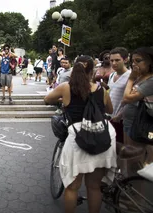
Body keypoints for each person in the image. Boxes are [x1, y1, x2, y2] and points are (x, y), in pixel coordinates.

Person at [45, 56, 117, 213]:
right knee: (94, 187)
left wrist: (63, 100)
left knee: (72, 187)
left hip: (78, 139)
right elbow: (110, 110)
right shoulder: (101, 90)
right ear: (92, 71)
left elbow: (47, 99)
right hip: (102, 137)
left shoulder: (65, 87)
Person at [122, 47, 153, 174]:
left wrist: (130, 78)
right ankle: (129, 185)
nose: (134, 64)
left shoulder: (150, 80)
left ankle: (136, 189)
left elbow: (127, 97)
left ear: (150, 61)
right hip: (129, 121)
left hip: (142, 124)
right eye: (132, 61)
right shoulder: (140, 77)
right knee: (129, 157)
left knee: (136, 160)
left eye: (138, 61)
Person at [106, 47, 131, 144]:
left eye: (117, 60)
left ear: (125, 60)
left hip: (121, 120)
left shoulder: (130, 76)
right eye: (112, 60)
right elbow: (109, 93)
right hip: (109, 117)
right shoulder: (112, 75)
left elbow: (131, 101)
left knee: (120, 147)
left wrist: (119, 116)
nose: (114, 63)